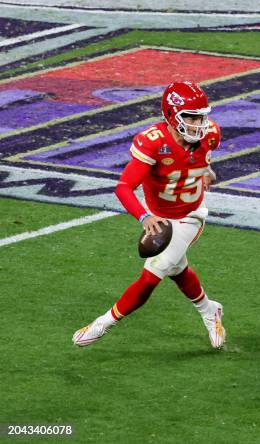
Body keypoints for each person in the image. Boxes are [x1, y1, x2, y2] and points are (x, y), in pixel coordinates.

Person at [73, 81, 226, 348]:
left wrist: (206, 172)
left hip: (191, 215)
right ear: (170, 115)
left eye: (201, 116)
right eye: (190, 117)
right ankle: (209, 310)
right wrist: (145, 217)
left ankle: (104, 323)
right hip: (159, 216)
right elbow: (123, 187)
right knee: (177, 267)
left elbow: (199, 160)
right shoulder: (153, 142)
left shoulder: (210, 134)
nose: (198, 123)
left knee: (154, 273)